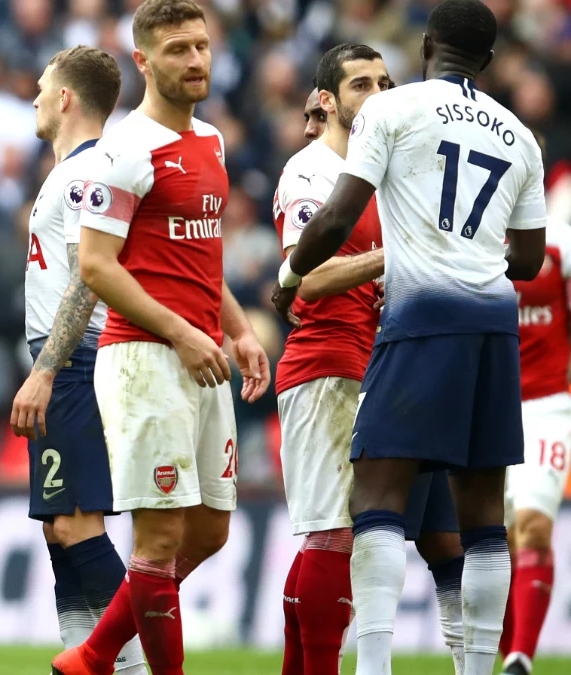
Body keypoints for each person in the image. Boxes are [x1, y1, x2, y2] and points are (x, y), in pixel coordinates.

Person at [271, 1, 548, 674]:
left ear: (426, 47)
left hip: (420, 320)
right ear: (487, 60)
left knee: (375, 497)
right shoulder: (519, 136)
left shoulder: (393, 114)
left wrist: (291, 273)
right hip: (493, 326)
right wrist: (474, 250)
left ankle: (372, 667)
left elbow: (338, 216)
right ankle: (480, 665)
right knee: (480, 515)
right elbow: (530, 261)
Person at [49, 1, 271, 673]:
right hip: (145, 357)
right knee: (160, 534)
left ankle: (93, 652)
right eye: (177, 49)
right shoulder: (122, 149)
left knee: (210, 528)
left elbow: (199, 256)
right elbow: (94, 265)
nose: (196, 59)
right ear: (143, 60)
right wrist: (180, 332)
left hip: (202, 351)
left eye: (201, 45)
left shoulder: (212, 141)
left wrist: (238, 330)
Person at [274, 44, 468, 675]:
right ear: (326, 101)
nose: (379, 93)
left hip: (380, 365)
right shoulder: (310, 173)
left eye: (386, 82)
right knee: (335, 535)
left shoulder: (381, 176)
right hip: (325, 366)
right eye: (361, 84)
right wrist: (395, 255)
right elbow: (309, 279)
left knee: (381, 536)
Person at [9, 45, 146, 675]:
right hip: (61, 361)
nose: (35, 97)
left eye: (42, 87)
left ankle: (140, 662)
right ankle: (91, 660)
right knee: (58, 528)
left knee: (76, 524)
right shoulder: (67, 170)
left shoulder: (84, 173)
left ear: (65, 98)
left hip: (74, 364)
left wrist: (44, 370)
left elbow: (86, 281)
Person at [500, 130, 571, 675]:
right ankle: (503, 652)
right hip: (489, 409)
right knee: (492, 542)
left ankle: (522, 655)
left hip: (548, 407)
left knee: (534, 526)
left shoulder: (561, 249)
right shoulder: (470, 246)